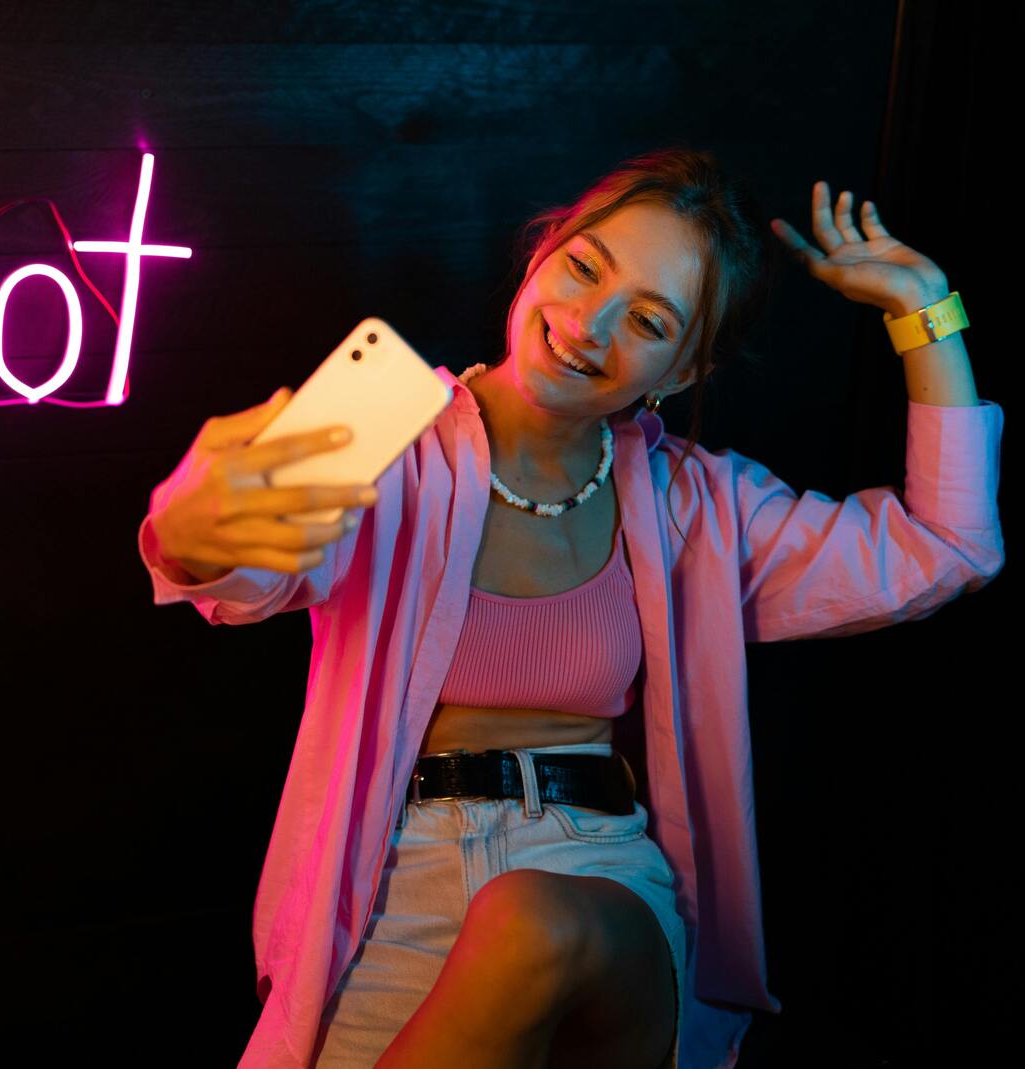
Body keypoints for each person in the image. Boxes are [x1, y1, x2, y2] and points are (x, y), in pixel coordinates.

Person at [136, 147, 1002, 1069]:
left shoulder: (694, 508)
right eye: (586, 267)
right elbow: (230, 574)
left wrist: (926, 313)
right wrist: (194, 524)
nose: (589, 324)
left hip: (603, 882)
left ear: (679, 369)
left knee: (532, 918)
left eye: (649, 319)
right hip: (395, 887)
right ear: (545, 248)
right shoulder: (379, 428)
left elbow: (944, 549)